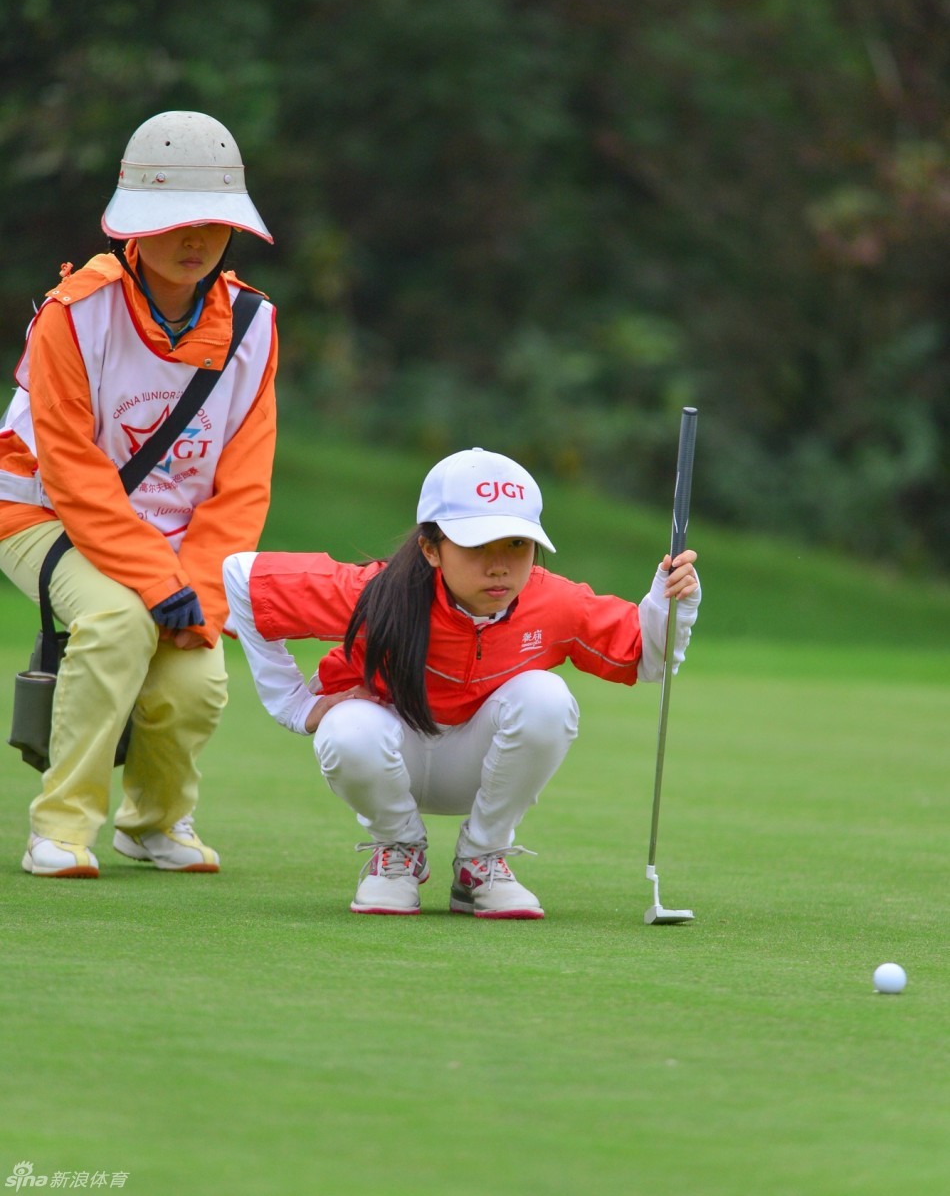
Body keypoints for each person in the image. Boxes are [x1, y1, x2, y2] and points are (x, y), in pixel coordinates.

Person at [223, 447, 700, 919]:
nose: (499, 566)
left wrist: (669, 602)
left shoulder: (554, 601)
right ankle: (398, 853)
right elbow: (242, 576)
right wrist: (294, 705)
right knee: (346, 728)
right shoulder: (375, 593)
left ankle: (481, 861)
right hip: (388, 757)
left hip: (483, 765)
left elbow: (646, 660)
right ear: (431, 549)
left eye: (517, 544)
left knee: (548, 698)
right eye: (477, 546)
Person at [0, 110, 279, 879]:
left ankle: (154, 823)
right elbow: (69, 469)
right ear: (136, 224)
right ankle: (59, 828)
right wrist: (158, 585)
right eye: (176, 220)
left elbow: (243, 481)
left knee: (198, 676)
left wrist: (201, 598)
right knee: (119, 621)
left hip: (174, 540)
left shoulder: (254, 324)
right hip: (38, 512)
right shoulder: (75, 313)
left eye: (213, 223)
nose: (196, 239)